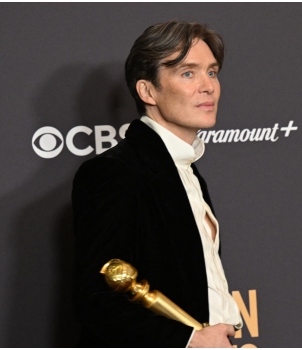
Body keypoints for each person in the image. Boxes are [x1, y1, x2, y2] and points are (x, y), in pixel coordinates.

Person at [72, 20, 242, 347]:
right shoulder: (114, 173)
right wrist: (189, 340)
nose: (208, 86)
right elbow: (96, 303)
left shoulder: (187, 170)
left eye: (212, 72)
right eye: (188, 73)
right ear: (147, 90)